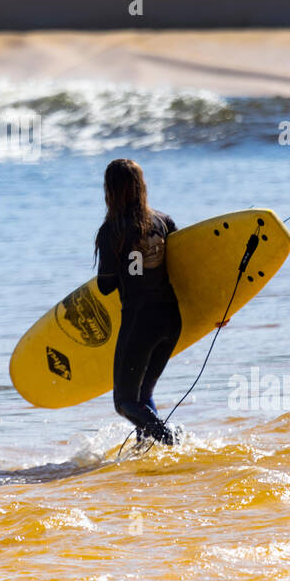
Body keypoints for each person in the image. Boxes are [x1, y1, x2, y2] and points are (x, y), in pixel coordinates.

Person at [94, 158, 181, 446]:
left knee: (125, 402)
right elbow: (188, 270)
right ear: (141, 187)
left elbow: (106, 286)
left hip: (139, 324)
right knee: (143, 397)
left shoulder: (111, 232)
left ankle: (171, 442)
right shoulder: (164, 221)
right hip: (171, 321)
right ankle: (150, 450)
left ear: (110, 191)